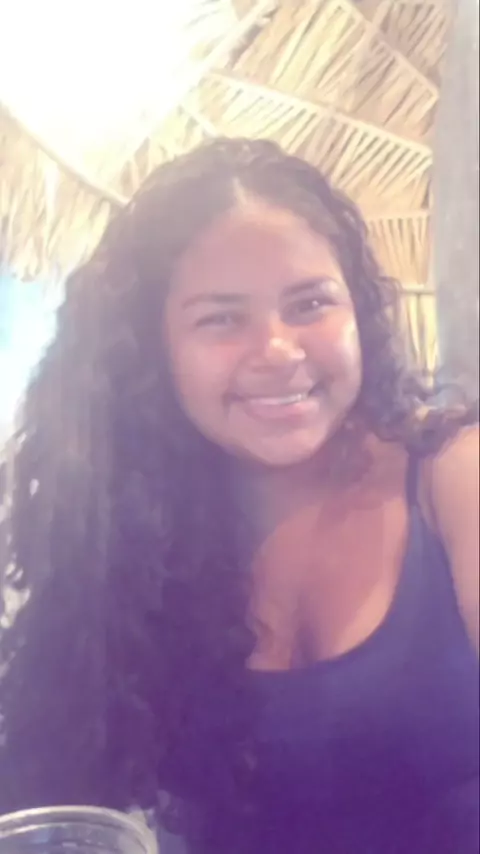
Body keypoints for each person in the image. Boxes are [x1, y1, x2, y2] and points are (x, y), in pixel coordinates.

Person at [0, 138, 478, 854]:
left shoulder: (452, 477)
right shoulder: (126, 534)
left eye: (310, 302)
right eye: (221, 318)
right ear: (154, 349)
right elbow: (49, 789)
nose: (279, 350)